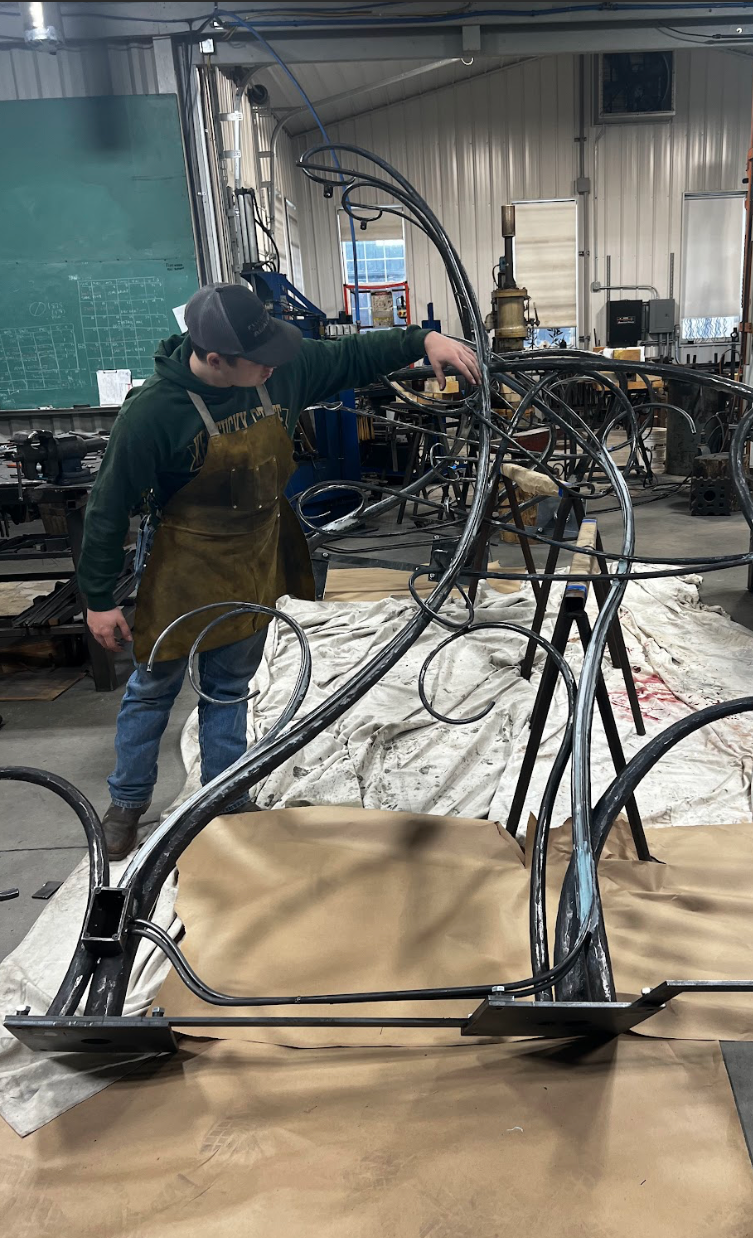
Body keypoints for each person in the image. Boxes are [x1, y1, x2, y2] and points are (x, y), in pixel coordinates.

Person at [78, 282, 480, 860]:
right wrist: (98, 596)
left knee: (230, 686)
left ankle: (224, 795)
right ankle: (127, 802)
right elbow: (108, 504)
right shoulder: (154, 414)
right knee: (154, 687)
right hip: (183, 565)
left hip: (255, 556)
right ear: (215, 359)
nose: (274, 369)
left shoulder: (276, 371)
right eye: (259, 362)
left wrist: (424, 338)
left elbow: (349, 356)